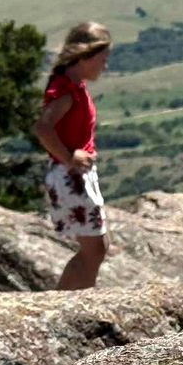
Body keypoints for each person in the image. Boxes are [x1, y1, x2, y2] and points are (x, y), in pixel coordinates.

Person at [34, 21, 113, 290]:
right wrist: (69, 158)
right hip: (71, 175)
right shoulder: (66, 90)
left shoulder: (73, 85)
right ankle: (71, 301)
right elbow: (43, 128)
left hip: (75, 174)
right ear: (85, 56)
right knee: (94, 249)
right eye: (102, 59)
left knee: (97, 248)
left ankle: (76, 297)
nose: (105, 65)